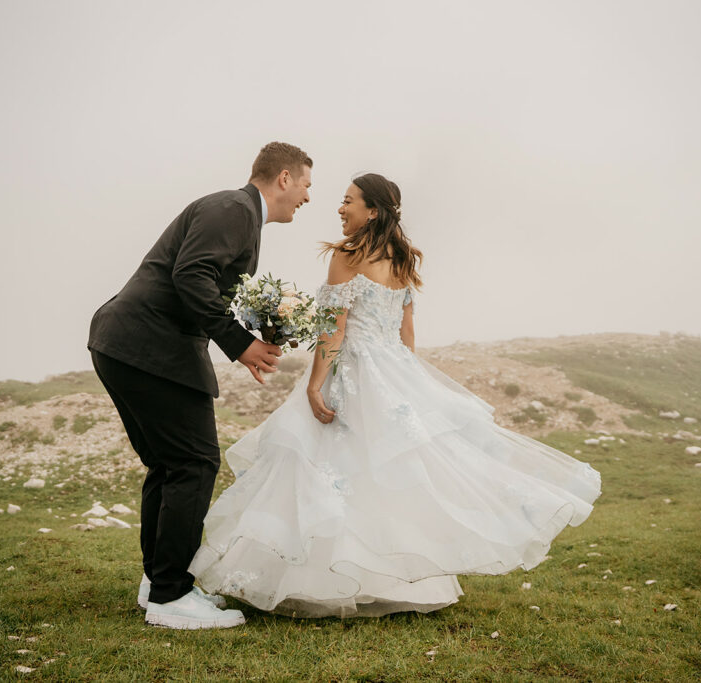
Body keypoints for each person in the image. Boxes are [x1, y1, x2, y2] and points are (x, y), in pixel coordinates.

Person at [189, 173, 602, 618]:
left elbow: (334, 328)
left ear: (372, 210)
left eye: (348, 201)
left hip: (352, 371)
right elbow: (407, 335)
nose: (340, 208)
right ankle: (397, 583)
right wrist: (407, 383)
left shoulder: (348, 256)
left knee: (331, 470)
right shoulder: (402, 261)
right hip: (393, 372)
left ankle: (323, 581)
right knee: (383, 477)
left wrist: (314, 384)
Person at [87, 142, 313, 629]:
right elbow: (191, 275)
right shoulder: (233, 208)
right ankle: (171, 597)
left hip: (127, 344)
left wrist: (264, 326)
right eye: (307, 186)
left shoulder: (237, 214)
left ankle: (159, 583)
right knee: (194, 461)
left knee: (170, 465)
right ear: (284, 179)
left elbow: (204, 282)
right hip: (148, 347)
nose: (308, 198)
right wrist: (239, 343)